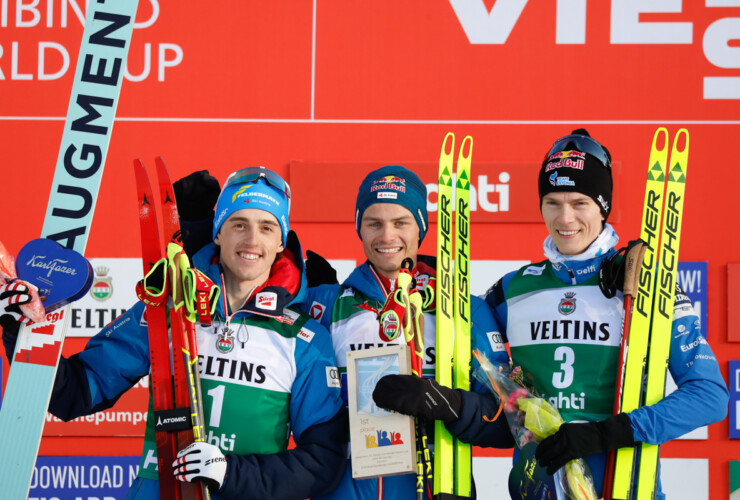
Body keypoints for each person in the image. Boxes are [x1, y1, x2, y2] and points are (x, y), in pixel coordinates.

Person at [2, 167, 347, 500]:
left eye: (267, 228)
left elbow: (321, 463)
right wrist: (25, 329)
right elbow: (74, 393)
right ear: (218, 232)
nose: (252, 239)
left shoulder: (305, 340)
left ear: (280, 241)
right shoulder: (167, 309)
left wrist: (229, 473)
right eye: (238, 224)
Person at [478, 129, 728, 498]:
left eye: (580, 203)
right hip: (538, 485)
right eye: (552, 202)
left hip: (623, 483)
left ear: (603, 206)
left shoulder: (641, 284)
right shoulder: (510, 289)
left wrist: (608, 432)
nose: (565, 218)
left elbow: (710, 395)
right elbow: (475, 352)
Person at [301, 165, 513, 500]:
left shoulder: (465, 312)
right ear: (360, 228)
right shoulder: (328, 306)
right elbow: (242, 302)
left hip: (435, 489)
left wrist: (451, 404)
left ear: (421, 230)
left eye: (401, 222)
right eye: (374, 223)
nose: (387, 236)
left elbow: (510, 421)